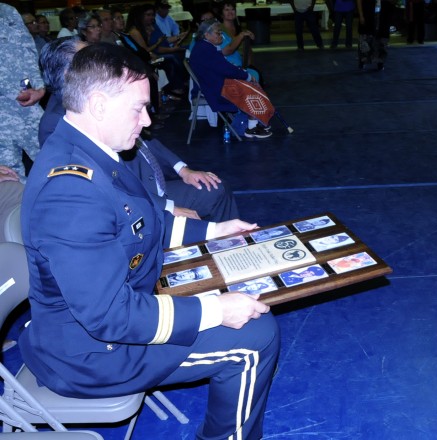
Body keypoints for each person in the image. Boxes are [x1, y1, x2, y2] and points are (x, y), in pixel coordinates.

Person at [20, 43, 279, 440]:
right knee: (254, 337)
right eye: (138, 107)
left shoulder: (92, 151)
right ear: (100, 104)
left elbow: (142, 222)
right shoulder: (70, 192)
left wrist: (216, 232)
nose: (147, 119)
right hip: (93, 356)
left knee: (231, 280)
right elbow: (109, 317)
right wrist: (214, 310)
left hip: (104, 321)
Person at [38, 37, 239, 222]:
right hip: (139, 202)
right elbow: (111, 189)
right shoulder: (62, 123)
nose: (147, 120)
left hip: (151, 184)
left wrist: (182, 169)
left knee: (216, 188)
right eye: (89, 58)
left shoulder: (91, 103)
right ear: (68, 73)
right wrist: (168, 207)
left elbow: (144, 141)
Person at [189, 20, 272, 139]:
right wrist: (246, 76)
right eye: (218, 33)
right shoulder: (205, 49)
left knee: (248, 84)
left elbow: (222, 67)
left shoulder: (205, 46)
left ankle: (256, 120)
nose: (221, 36)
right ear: (207, 35)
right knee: (249, 88)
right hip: (214, 89)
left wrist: (240, 72)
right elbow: (224, 69)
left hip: (213, 83)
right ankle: (252, 128)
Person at [0, 3, 44, 180]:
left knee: (57, 163)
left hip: (27, 107)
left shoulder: (8, 12)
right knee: (10, 179)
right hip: (3, 114)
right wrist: (12, 92)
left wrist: (39, 87)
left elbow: (28, 52)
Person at [356, 0, 392, 70]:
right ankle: (363, 60)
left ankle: (380, 62)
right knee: (365, 38)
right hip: (367, 14)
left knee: (382, 39)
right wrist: (361, 15)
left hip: (383, 15)